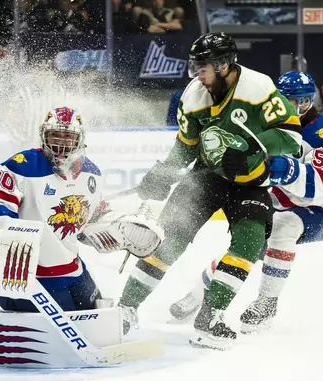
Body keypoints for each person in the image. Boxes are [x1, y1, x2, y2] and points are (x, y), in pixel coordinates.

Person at [117, 32, 302, 349]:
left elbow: (292, 139)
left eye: (202, 68)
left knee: (249, 241)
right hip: (206, 176)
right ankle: (125, 308)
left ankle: (211, 316)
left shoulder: (259, 90)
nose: (197, 75)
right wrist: (163, 172)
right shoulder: (193, 96)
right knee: (168, 239)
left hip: (251, 180)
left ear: (224, 65)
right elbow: (185, 147)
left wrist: (251, 147)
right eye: (195, 67)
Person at [0, 107, 164, 368]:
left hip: (70, 267)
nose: (61, 144)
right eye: (55, 136)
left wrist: (117, 228)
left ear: (80, 140)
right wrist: (8, 231)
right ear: (43, 137)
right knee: (63, 331)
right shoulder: (23, 166)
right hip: (25, 274)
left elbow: (87, 220)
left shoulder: (92, 173)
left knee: (97, 316)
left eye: (68, 138)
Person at [170, 71, 323, 333]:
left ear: (310, 101)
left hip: (319, 212)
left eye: (302, 102)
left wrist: (291, 171)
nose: (295, 109)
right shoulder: (265, 124)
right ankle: (199, 295)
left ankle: (267, 302)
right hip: (279, 203)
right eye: (288, 102)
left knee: (283, 229)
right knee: (246, 245)